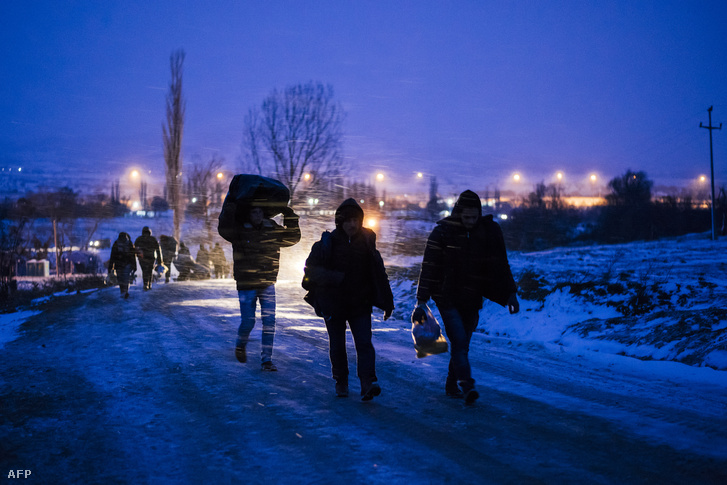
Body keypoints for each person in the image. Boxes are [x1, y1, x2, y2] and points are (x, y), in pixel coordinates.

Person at [414, 190, 519, 404]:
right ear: (458, 213)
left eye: (474, 217)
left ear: (479, 214)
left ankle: (452, 383)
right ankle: (466, 383)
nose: (470, 222)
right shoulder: (443, 233)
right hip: (447, 296)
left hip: (472, 297)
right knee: (459, 341)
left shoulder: (486, 233)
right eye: (466, 217)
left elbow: (500, 264)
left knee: (464, 344)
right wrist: (422, 298)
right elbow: (429, 265)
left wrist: (510, 294)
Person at [303, 198, 394, 400]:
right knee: (337, 345)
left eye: (356, 220)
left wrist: (388, 301)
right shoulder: (327, 243)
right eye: (348, 221)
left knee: (364, 343)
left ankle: (368, 383)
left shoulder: (367, 243)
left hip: (360, 303)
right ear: (340, 222)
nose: (352, 225)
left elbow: (379, 273)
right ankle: (341, 382)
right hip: (333, 304)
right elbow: (310, 271)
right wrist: (334, 277)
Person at [218, 204, 301, 371]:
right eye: (254, 212)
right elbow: (223, 229)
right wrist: (230, 209)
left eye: (260, 212)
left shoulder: (271, 228)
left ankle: (266, 360)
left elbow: (292, 238)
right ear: (248, 214)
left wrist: (290, 216)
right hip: (247, 283)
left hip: (267, 281)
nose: (257, 215)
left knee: (269, 322)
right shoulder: (240, 230)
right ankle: (241, 345)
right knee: (248, 321)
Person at [134, 226, 163, 291]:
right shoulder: (153, 239)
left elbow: (134, 248)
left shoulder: (139, 239)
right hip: (151, 258)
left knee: (144, 271)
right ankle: (149, 284)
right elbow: (158, 250)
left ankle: (145, 284)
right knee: (150, 271)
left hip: (142, 258)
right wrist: (159, 260)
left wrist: (135, 256)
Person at [108, 232, 136, 299]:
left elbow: (112, 256)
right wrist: (134, 266)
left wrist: (110, 267)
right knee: (126, 278)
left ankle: (122, 292)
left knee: (120, 279)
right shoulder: (129, 243)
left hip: (118, 264)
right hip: (127, 264)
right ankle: (125, 291)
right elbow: (133, 256)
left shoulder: (116, 243)